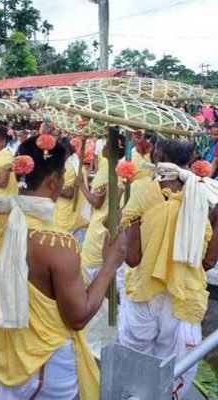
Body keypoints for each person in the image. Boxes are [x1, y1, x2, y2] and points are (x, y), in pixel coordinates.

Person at [0, 136, 125, 399]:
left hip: (10, 354)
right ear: (52, 181)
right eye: (62, 178)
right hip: (46, 365)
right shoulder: (57, 244)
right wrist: (110, 265)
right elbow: (78, 317)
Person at [119, 138, 218, 399]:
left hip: (144, 294)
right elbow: (208, 261)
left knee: (136, 365)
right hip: (183, 298)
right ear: (193, 158)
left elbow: (131, 258)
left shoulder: (141, 190)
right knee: (174, 371)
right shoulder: (205, 195)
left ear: (159, 154)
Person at [76, 131, 126, 280]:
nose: (102, 149)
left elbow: (96, 202)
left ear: (110, 151)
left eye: (105, 146)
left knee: (91, 270)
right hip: (109, 222)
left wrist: (81, 186)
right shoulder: (118, 168)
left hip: (99, 226)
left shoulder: (106, 172)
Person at [54, 138, 90, 243]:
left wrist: (51, 189)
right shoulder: (77, 164)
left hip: (66, 216)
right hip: (74, 217)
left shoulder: (68, 167)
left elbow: (69, 193)